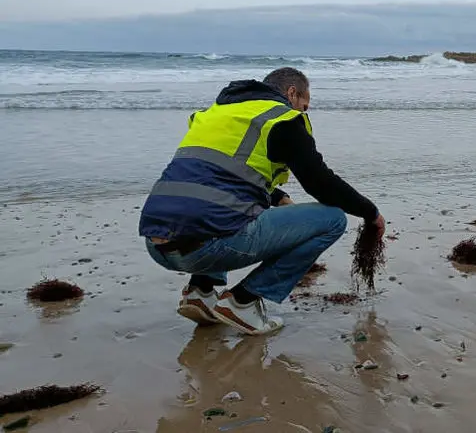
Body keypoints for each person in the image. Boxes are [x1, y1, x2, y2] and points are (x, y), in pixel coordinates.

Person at [138, 67, 385, 335]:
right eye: (304, 105)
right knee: (333, 219)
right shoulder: (283, 119)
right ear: (292, 93)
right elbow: (321, 184)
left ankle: (201, 291)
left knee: (218, 210)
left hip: (157, 245)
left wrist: (277, 197)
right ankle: (243, 302)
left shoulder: (216, 114)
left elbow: (219, 175)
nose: (303, 112)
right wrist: (370, 213)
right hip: (208, 249)